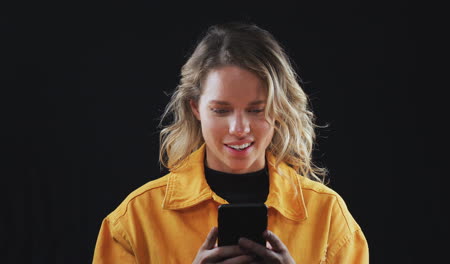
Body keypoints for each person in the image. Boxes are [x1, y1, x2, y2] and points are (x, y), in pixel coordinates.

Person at [93, 22, 369, 263]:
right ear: (196, 109)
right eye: (221, 110)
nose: (239, 129)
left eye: (256, 109)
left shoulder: (328, 216)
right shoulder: (135, 219)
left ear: (279, 110)